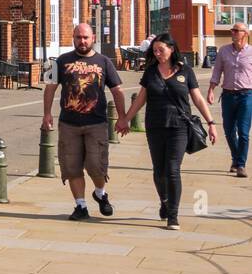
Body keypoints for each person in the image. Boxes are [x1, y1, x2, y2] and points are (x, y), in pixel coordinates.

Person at [118, 33, 217, 229]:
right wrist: (125, 120)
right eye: (154, 51)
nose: (157, 53)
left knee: (172, 169)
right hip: (154, 126)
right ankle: (164, 201)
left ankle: (173, 215)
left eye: (161, 50)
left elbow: (197, 99)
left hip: (179, 126)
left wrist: (211, 123)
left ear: (171, 49)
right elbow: (141, 99)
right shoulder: (151, 71)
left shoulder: (186, 71)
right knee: (158, 171)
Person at [41, 23, 128, 221]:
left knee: (96, 166)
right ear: (73, 38)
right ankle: (81, 206)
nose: (82, 41)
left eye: (86, 37)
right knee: (71, 167)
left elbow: (117, 91)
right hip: (68, 124)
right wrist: (47, 114)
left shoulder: (104, 61)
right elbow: (50, 88)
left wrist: (122, 117)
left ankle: (100, 193)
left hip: (96, 123)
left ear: (93, 38)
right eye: (78, 37)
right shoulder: (60, 61)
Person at [207, 21, 252, 178]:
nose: (232, 33)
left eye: (236, 30)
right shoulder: (223, 51)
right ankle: (235, 157)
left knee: (244, 132)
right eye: (232, 30)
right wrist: (211, 89)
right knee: (228, 130)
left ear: (245, 34)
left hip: (246, 95)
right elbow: (217, 71)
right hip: (227, 96)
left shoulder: (251, 52)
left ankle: (240, 165)